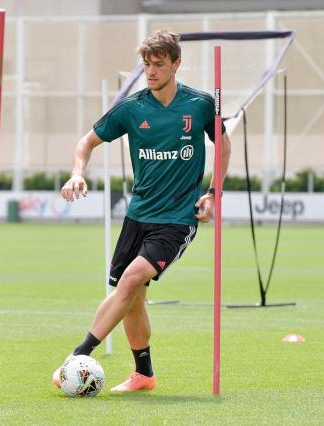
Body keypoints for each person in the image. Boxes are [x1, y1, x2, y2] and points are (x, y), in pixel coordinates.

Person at [55, 30, 231, 393]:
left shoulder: (199, 105)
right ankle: (144, 374)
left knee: (132, 279)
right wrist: (77, 173)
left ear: (176, 64)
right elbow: (86, 142)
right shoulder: (132, 108)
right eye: (147, 65)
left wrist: (213, 193)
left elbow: (224, 145)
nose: (151, 72)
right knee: (132, 298)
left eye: (159, 65)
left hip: (177, 218)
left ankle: (76, 356)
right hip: (138, 215)